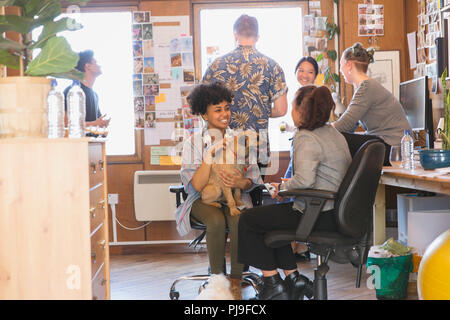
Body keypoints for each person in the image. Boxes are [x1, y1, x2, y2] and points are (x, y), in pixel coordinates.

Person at [238, 85, 352, 300]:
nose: (290, 110)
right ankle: (293, 279)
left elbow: (306, 180)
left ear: (302, 110)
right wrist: (289, 186)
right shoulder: (333, 132)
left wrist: (282, 187)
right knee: (272, 223)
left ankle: (273, 286)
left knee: (248, 220)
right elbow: (318, 177)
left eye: (292, 105)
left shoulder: (306, 137)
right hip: (333, 211)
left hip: (316, 214)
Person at [174, 82, 263, 300]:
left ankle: (235, 282)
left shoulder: (240, 140)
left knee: (238, 220)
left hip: (235, 197)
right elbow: (194, 186)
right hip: (203, 199)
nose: (225, 114)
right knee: (215, 220)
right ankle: (216, 281)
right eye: (218, 109)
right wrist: (209, 156)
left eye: (226, 108)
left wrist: (239, 182)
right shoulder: (193, 143)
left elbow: (252, 181)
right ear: (204, 114)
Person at [202, 14, 288, 181]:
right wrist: (259, 109)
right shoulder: (272, 66)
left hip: (223, 143)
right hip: (258, 144)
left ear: (235, 35)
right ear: (257, 37)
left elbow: (201, 106)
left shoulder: (216, 65)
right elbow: (281, 109)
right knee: (254, 195)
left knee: (223, 193)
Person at [332, 42, 412, 165]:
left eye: (341, 64)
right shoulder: (365, 87)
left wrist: (319, 130)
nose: (340, 69)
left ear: (349, 65)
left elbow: (344, 125)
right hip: (389, 145)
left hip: (392, 148)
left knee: (337, 139)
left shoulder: (366, 87)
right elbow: (351, 125)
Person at [284, 56, 319, 262]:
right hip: (297, 142)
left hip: (307, 147)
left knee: (295, 193)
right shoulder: (297, 94)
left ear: (316, 74)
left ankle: (296, 245)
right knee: (294, 193)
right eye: (301, 70)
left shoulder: (315, 95)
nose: (305, 75)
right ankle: (299, 247)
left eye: (310, 71)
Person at [64, 50, 110, 129]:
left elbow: (97, 123)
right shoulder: (71, 92)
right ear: (88, 66)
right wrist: (94, 124)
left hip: (93, 141)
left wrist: (102, 123)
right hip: (79, 141)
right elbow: (66, 123)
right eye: (96, 62)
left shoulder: (95, 95)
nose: (100, 66)